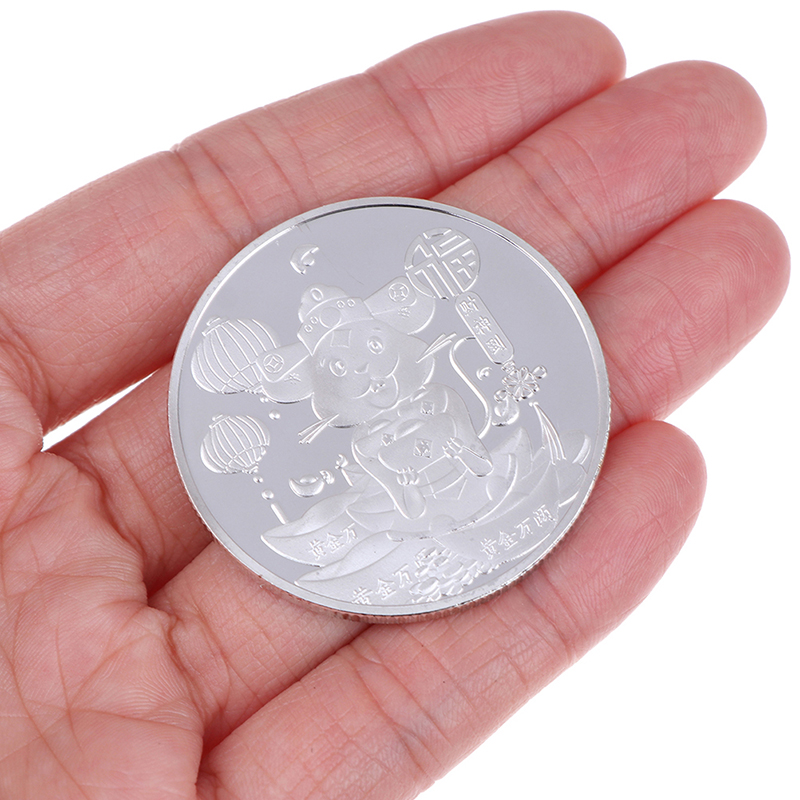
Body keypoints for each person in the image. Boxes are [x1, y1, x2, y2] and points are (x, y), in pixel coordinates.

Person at [0, 11, 788, 799]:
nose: (367, 369)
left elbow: (465, 415)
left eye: (374, 347)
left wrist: (485, 408)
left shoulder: (454, 399)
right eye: (342, 367)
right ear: (321, 392)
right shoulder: (366, 456)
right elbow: (378, 467)